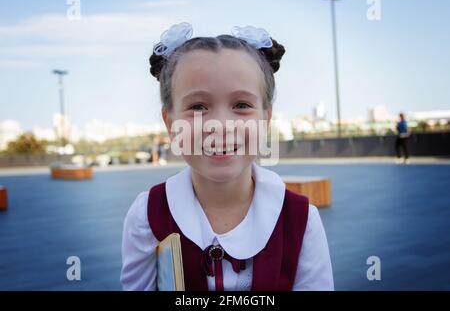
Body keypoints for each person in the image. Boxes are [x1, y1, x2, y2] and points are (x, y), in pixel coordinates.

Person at [120, 23, 333, 291]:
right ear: (170, 122)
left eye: (241, 105)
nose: (221, 124)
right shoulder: (146, 216)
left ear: (265, 119)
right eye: (198, 107)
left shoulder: (301, 221)